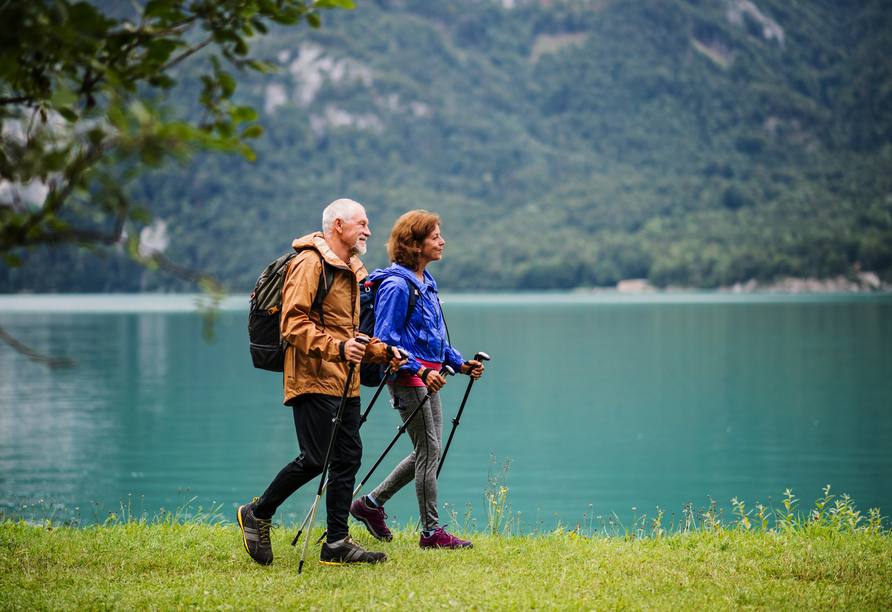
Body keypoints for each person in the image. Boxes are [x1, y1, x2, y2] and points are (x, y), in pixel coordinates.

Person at [237, 198, 406, 566]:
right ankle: (258, 513)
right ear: (340, 225)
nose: (368, 231)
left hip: (346, 380)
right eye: (362, 223)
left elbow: (351, 333)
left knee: (348, 457)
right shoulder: (310, 263)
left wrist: (383, 352)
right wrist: (340, 348)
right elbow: (293, 325)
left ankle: (336, 542)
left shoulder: (352, 268)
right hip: (311, 377)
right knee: (316, 459)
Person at [350, 210, 484, 549]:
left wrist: (459, 363)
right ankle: (431, 533)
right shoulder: (396, 286)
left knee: (428, 450)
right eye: (435, 236)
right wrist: (420, 370)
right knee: (429, 449)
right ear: (413, 243)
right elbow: (385, 340)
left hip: (429, 377)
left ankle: (370, 504)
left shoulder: (426, 281)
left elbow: (433, 338)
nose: (442, 241)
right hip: (407, 378)